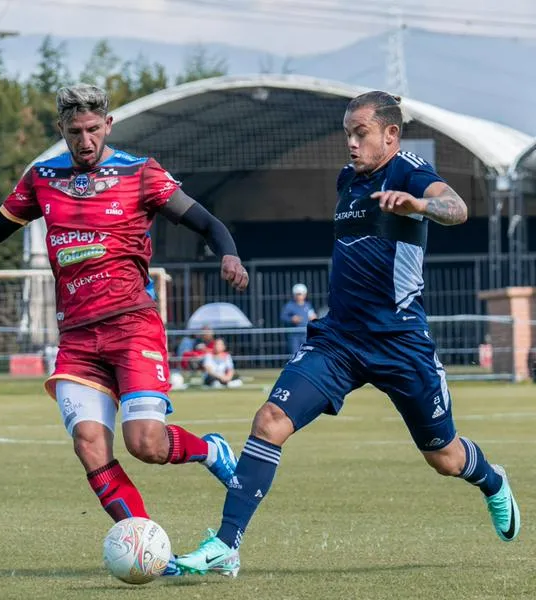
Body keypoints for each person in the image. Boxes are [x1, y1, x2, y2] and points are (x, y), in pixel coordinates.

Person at [177, 91, 520, 577]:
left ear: (390, 134)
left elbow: (456, 208)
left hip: (401, 343)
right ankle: (226, 545)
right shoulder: (347, 180)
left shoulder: (407, 169)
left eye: (361, 134)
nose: (352, 145)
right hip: (338, 340)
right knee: (270, 420)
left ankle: (491, 480)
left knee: (443, 456)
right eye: (347, 135)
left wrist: (419, 204)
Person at [0, 83, 250, 576]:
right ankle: (152, 551)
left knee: (145, 443)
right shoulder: (41, 178)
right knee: (89, 444)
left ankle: (210, 449)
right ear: (60, 130)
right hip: (79, 339)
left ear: (108, 125)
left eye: (92, 129)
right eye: (73, 132)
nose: (84, 140)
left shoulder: (140, 172)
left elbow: (207, 222)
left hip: (132, 327)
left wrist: (228, 251)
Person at [280, 283, 317, 356]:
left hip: (306, 335)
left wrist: (314, 318)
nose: (299, 296)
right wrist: (291, 319)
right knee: (295, 355)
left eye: (301, 294)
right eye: (298, 294)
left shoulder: (308, 305)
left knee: (307, 354)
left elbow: (312, 315)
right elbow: (283, 317)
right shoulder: (289, 305)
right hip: (294, 335)